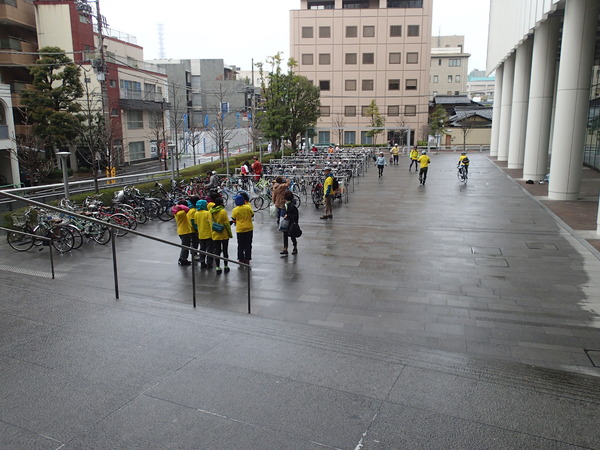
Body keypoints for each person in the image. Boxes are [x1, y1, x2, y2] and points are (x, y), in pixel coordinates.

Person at [210, 197, 233, 274]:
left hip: (215, 234)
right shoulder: (223, 212)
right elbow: (226, 224)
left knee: (217, 251)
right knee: (225, 251)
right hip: (224, 234)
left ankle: (217, 267)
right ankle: (226, 266)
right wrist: (230, 233)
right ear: (221, 203)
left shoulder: (210, 212)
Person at [231, 194, 254, 264]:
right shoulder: (248, 207)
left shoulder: (235, 210)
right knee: (248, 244)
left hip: (240, 229)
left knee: (240, 244)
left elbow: (233, 218)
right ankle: (247, 258)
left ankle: (241, 258)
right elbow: (252, 215)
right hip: (249, 228)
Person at [172, 200, 195, 266]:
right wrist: (179, 206)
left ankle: (183, 259)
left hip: (182, 231)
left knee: (185, 246)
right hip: (185, 232)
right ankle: (183, 259)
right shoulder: (181, 213)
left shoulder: (177, 212)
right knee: (185, 247)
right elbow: (187, 209)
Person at [194, 199, 213, 269]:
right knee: (209, 250)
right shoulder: (207, 213)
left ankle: (202, 262)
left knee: (202, 249)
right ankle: (209, 263)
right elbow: (211, 223)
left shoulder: (196, 213)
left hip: (201, 234)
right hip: (208, 234)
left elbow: (196, 223)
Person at [280, 190, 299, 255]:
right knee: (286, 234)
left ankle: (294, 247)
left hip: (291, 223)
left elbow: (295, 216)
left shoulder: (291, 206)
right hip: (287, 222)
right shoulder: (287, 204)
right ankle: (286, 248)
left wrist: (288, 215)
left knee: (292, 235)